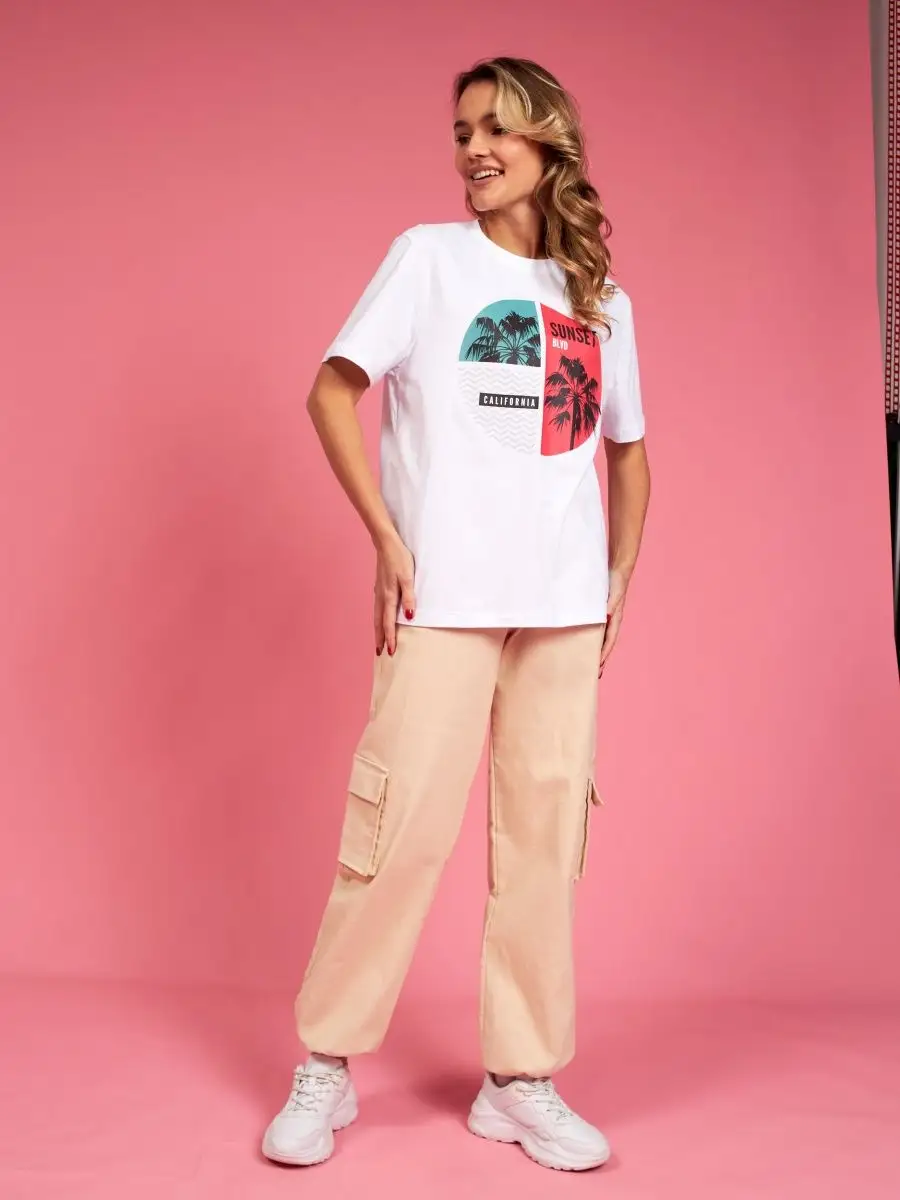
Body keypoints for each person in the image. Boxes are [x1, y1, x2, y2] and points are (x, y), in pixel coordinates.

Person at [262, 55, 651, 1173]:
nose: (474, 149)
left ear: (548, 143)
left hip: (560, 611)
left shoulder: (601, 300)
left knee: (542, 842)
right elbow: (332, 390)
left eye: (496, 129)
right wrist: (387, 538)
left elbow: (628, 451)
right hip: (444, 599)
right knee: (397, 832)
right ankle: (328, 1064)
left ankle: (519, 1082)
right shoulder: (428, 260)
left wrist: (618, 578)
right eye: (461, 131)